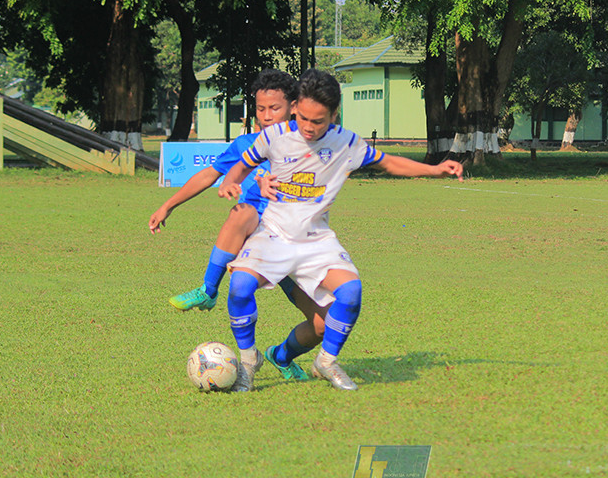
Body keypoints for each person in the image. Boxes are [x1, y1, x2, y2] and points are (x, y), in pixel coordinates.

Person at [218, 69, 463, 391]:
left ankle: (326, 361)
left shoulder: (346, 143)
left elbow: (389, 163)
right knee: (239, 286)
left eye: (318, 121)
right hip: (274, 233)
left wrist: (435, 169)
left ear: (334, 115)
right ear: (295, 108)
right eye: (303, 118)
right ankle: (249, 362)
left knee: (350, 292)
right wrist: (230, 181)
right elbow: (243, 165)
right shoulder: (274, 136)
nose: (308, 127)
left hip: (315, 239)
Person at [149, 69, 325, 383]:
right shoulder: (247, 144)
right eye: (260, 109)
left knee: (322, 325)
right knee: (240, 214)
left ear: (294, 107)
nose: (266, 116)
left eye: (275, 108)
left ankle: (281, 356)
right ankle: (209, 291)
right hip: (258, 236)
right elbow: (209, 175)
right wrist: (168, 205)